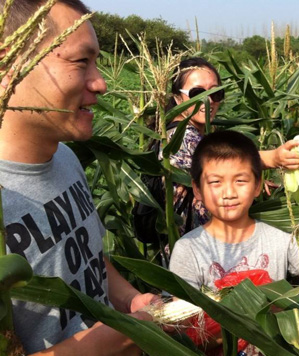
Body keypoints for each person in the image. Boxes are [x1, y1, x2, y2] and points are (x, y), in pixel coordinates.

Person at [0, 1, 157, 354]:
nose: (100, 83)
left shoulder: (66, 157)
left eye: (96, 62)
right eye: (80, 61)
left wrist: (130, 300)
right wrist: (119, 337)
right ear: (8, 62)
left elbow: (90, 257)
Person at [168, 130, 299, 353]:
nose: (229, 193)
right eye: (215, 182)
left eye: (240, 181)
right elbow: (183, 330)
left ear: (257, 185)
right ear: (197, 189)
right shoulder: (188, 250)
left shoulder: (280, 240)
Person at [134, 57, 299, 243]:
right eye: (197, 93)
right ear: (177, 97)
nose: (208, 101)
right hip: (195, 252)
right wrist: (273, 158)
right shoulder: (180, 138)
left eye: (216, 94)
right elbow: (222, 161)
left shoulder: (200, 133)